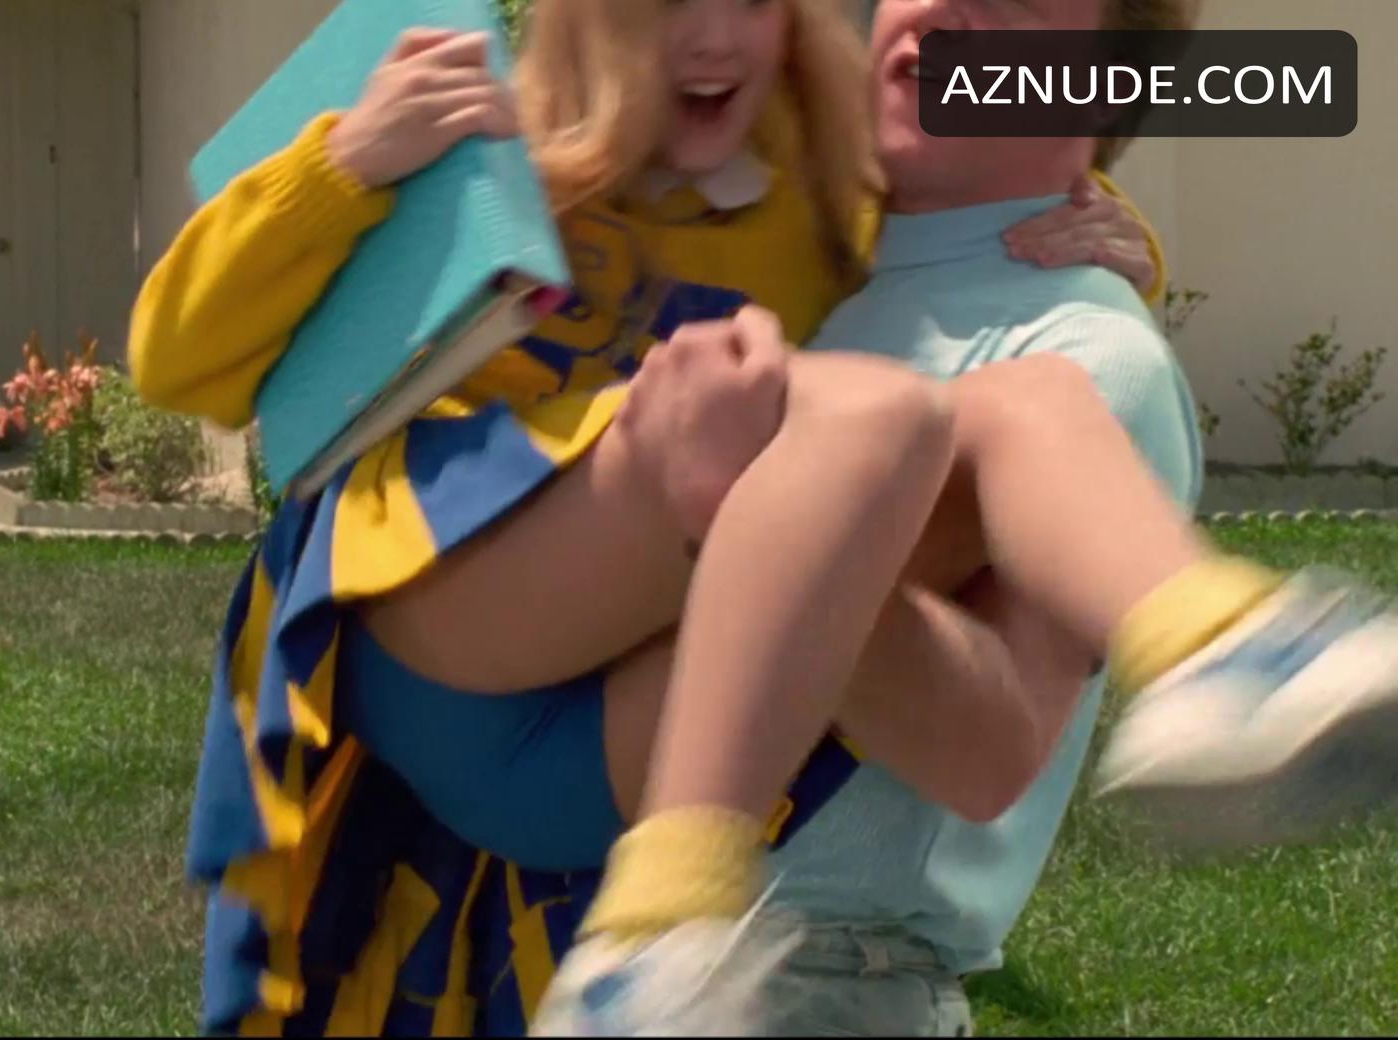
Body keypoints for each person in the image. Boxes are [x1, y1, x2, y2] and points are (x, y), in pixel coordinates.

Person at [143, 0, 1167, 1033]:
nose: (713, 37)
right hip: (433, 617)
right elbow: (177, 360)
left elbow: (970, 198)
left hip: (595, 754)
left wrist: (1097, 225)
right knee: (798, 440)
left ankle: (666, 920)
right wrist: (344, 166)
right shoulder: (481, 148)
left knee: (871, 469)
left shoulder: (804, 200)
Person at [531, 0, 1398, 1034]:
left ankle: (1225, 644)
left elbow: (984, 763)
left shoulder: (1086, 354)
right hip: (564, 931)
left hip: (783, 975)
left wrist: (764, 522)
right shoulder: (787, 258)